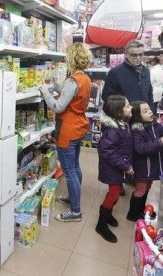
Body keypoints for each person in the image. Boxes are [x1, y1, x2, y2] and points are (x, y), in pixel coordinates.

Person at [40, 42, 92, 222]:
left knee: (69, 171)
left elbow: (58, 106)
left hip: (67, 130)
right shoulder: (84, 78)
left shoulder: (72, 80)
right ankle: (73, 198)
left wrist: (46, 92)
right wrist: (55, 85)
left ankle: (75, 211)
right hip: (79, 126)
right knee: (75, 167)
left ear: (71, 59)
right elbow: (71, 93)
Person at [101, 39, 155, 196]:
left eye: (141, 55)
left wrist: (151, 112)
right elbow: (107, 97)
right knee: (121, 151)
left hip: (141, 119)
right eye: (134, 55)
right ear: (126, 54)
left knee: (137, 150)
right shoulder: (115, 72)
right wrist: (124, 109)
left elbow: (149, 93)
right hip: (123, 119)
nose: (137, 58)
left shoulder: (146, 71)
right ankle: (118, 182)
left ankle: (132, 178)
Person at [126, 101, 163, 221]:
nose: (150, 112)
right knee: (140, 190)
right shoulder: (136, 130)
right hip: (142, 168)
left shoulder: (155, 126)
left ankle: (141, 210)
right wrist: (159, 142)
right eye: (145, 111)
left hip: (152, 167)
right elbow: (141, 148)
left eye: (149, 109)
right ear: (137, 116)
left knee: (147, 187)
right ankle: (133, 214)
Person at [96, 95, 133, 243]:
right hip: (113, 168)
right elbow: (108, 152)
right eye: (128, 106)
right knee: (113, 194)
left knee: (115, 194)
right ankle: (101, 224)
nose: (131, 108)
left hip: (118, 167)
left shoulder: (122, 123)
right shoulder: (113, 131)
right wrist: (126, 166)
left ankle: (108, 214)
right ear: (119, 113)